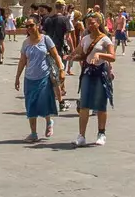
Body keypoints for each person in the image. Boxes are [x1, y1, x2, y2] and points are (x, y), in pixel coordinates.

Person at [14, 17, 64, 142]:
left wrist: (61, 70)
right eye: (27, 26)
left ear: (37, 25)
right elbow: (22, 61)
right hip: (29, 77)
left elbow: (55, 55)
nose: (29, 28)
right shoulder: (25, 43)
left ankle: (48, 122)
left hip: (44, 76)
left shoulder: (46, 39)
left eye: (31, 25)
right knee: (30, 104)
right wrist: (17, 77)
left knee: (44, 101)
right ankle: (33, 133)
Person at [74, 13, 115, 147]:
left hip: (100, 73)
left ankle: (101, 133)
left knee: (100, 104)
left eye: (93, 23)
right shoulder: (85, 38)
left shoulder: (105, 40)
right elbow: (80, 53)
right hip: (87, 72)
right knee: (84, 104)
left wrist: (99, 54)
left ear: (99, 23)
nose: (90, 25)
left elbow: (112, 57)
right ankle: (81, 135)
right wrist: (71, 57)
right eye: (88, 23)